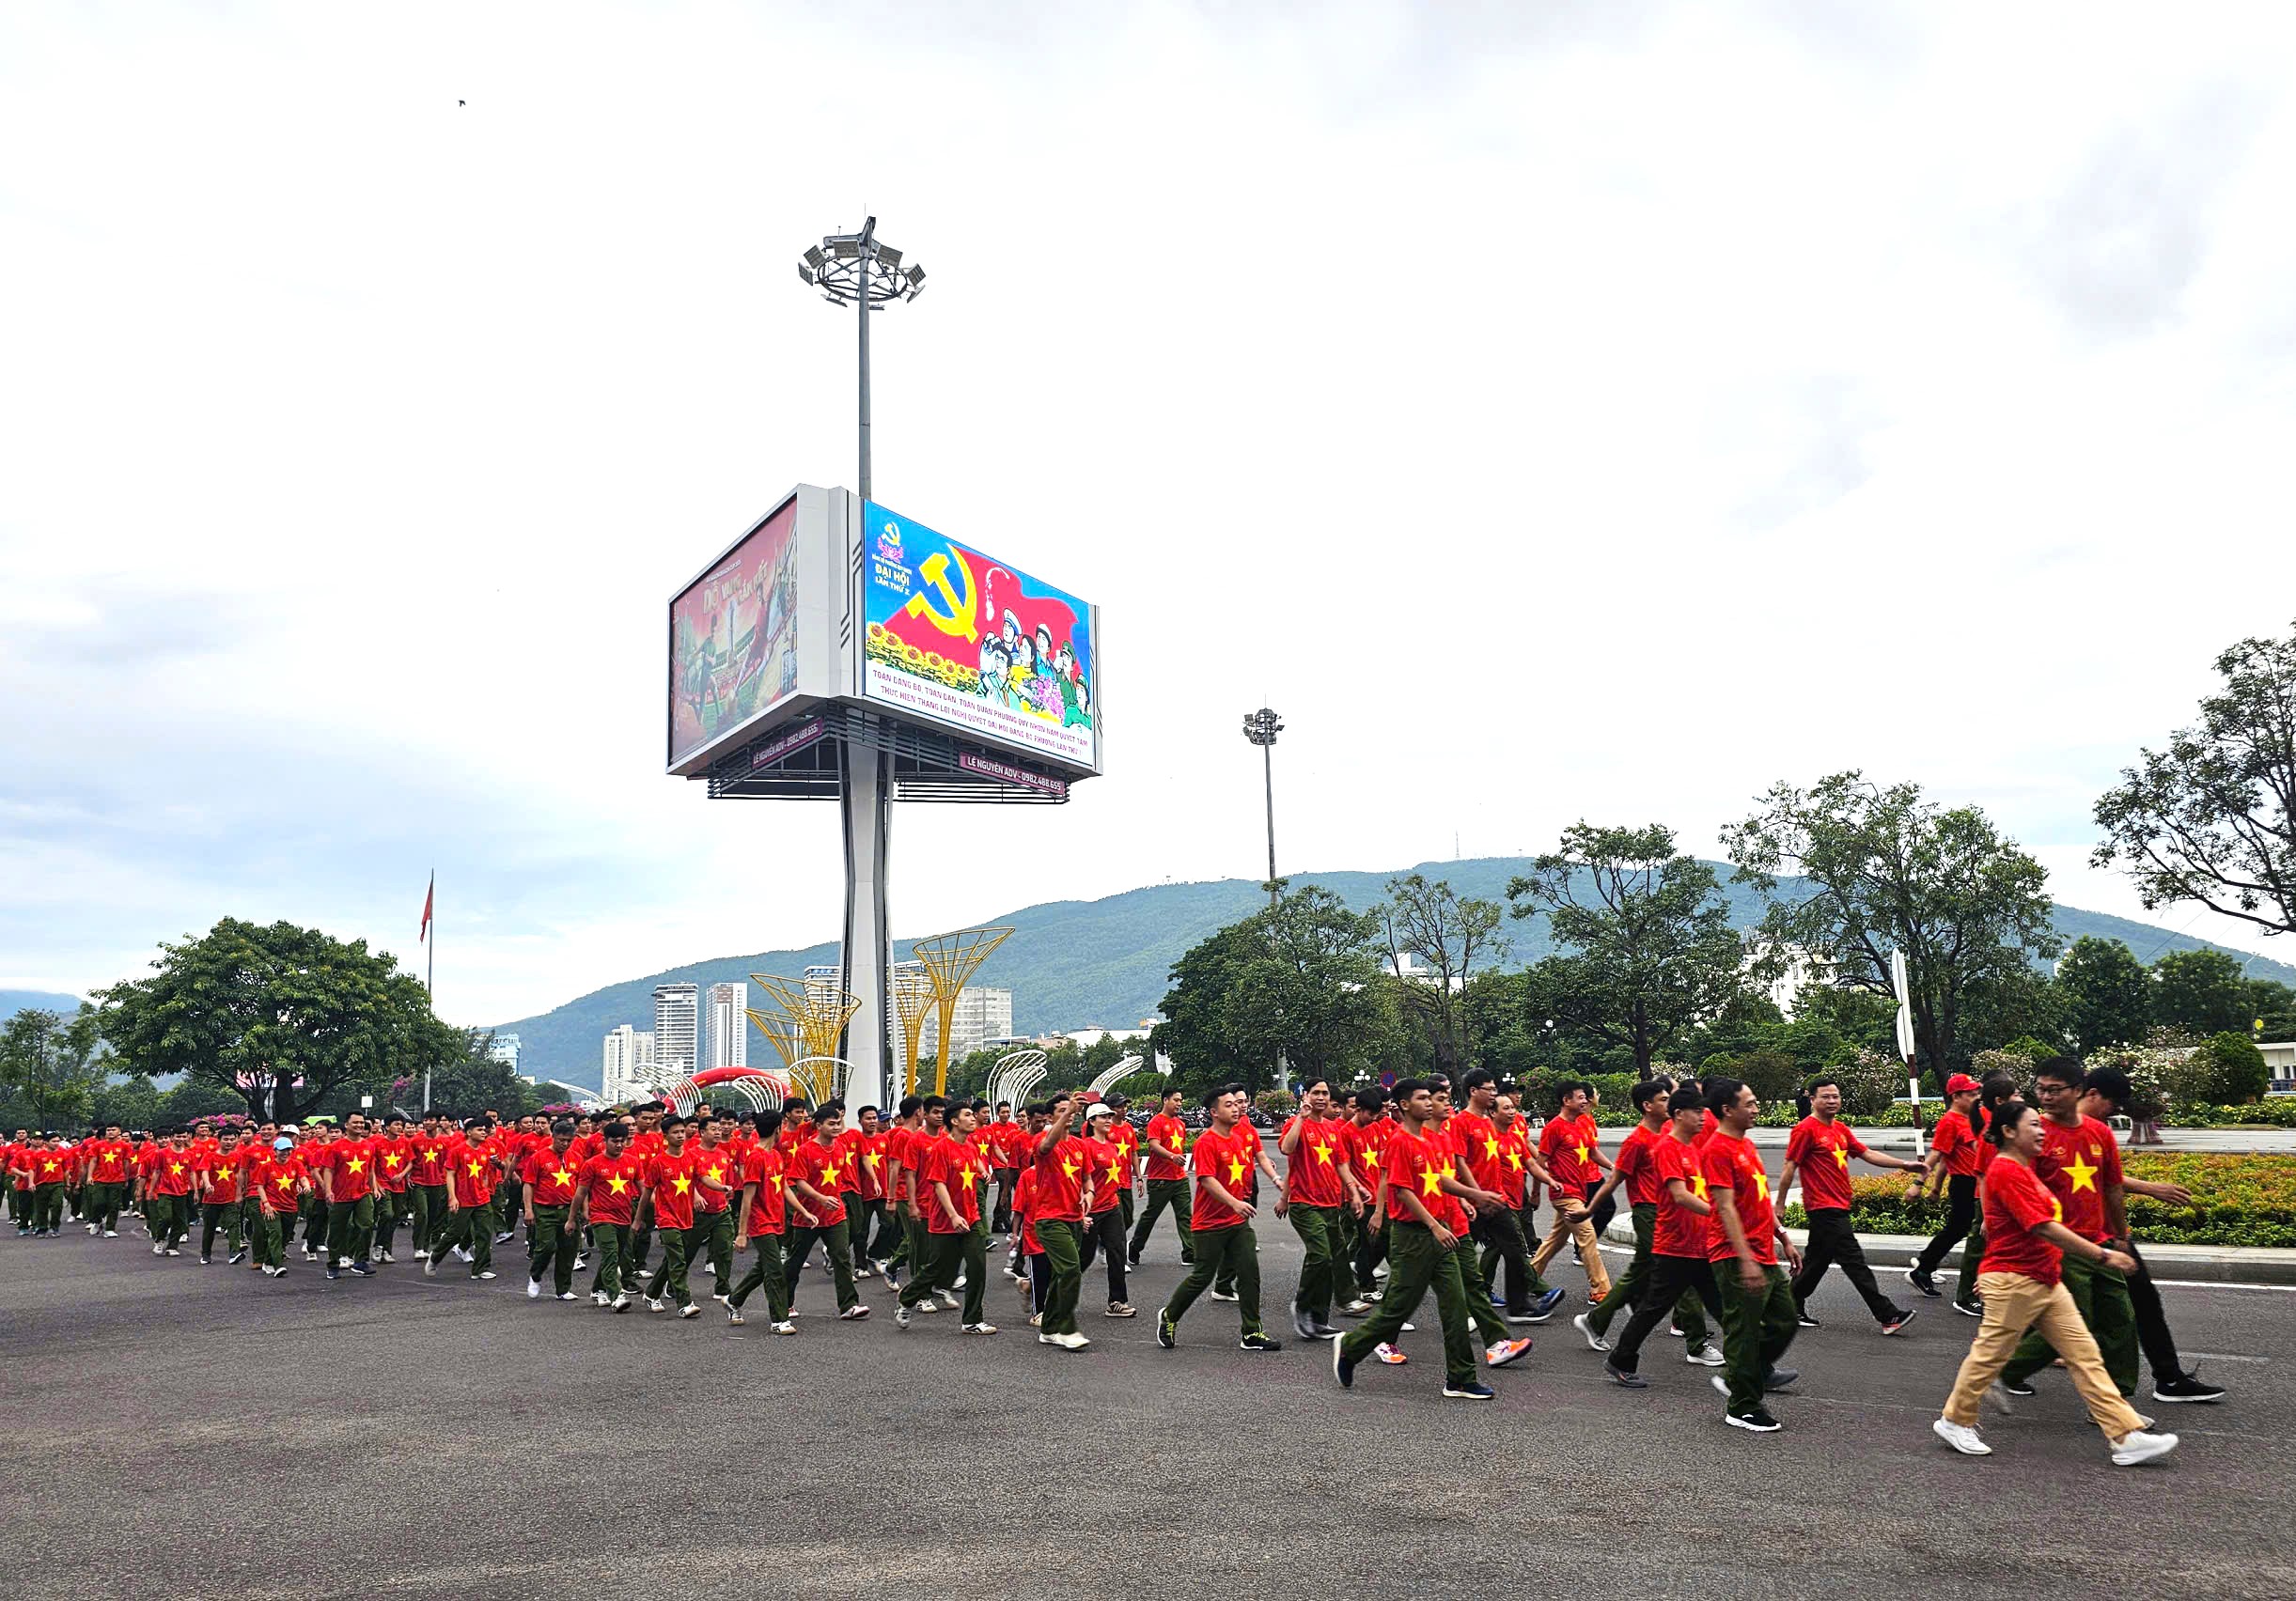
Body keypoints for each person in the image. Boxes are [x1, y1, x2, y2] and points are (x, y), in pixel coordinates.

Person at [1931, 1098, 2179, 1466]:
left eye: (2040, 1124)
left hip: (2044, 1278)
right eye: (2033, 1124)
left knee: (2085, 1356)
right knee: (1989, 1356)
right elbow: (2045, 1228)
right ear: (2009, 1132)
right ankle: (1954, 1420)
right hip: (2014, 1280)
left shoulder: (2026, 1169)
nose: (2042, 1129)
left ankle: (2125, 1437)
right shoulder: (2006, 1171)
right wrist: (2105, 1254)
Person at [1332, 1079, 1531, 1398]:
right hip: (1413, 1235)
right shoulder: (1399, 1141)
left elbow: (1440, 1179)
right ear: (1405, 1105)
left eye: (1431, 1098)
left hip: (1440, 1232)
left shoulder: (1432, 1138)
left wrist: (1475, 1195)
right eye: (1423, 1098)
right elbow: (1403, 1190)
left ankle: (1460, 1378)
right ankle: (1352, 1346)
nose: (1430, 1103)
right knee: (1397, 1309)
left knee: (1454, 1305)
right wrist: (1434, 1226)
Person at [2075, 1066, 2226, 1405]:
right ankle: (2009, 1368)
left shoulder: (2096, 1129)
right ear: (2093, 1093)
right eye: (2114, 1104)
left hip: (2103, 1233)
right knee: (2062, 1312)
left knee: (2142, 1300)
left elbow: (2105, 1180)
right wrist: (2151, 1189)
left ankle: (2168, 1378)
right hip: (2070, 1236)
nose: (2116, 1111)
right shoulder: (2061, 1127)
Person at [1995, 1057, 2142, 1402]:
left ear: (2078, 1091)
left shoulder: (2100, 1133)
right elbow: (2012, 1185)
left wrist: (2121, 1236)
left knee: (2122, 1319)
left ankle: (2120, 1395)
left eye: (2054, 1090)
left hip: (2099, 1241)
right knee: (2074, 1324)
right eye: (2040, 1089)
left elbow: (2112, 1187)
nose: (2045, 1097)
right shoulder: (2033, 1135)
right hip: (2060, 1244)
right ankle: (2003, 1372)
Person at [1597, 1082, 1727, 1384]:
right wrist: (1719, 1214)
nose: (1703, 1118)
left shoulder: (1693, 1148)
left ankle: (1757, 1365)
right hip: (1674, 1247)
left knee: (1723, 1307)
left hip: (1696, 1244)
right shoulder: (1666, 1148)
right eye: (1697, 1112)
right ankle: (1620, 1358)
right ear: (1679, 1115)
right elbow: (1680, 1195)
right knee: (1653, 1309)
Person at [1779, 1075, 1922, 1334]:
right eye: (1826, 1096)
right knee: (1854, 1261)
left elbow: (1866, 1153)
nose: (1832, 1100)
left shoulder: (1840, 1129)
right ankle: (1888, 1315)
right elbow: (1790, 1166)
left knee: (1816, 1262)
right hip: (1823, 1207)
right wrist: (1780, 1204)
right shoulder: (1805, 1129)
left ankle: (1788, 1306)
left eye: (1836, 1096)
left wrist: (1903, 1164)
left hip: (1839, 1203)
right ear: (1812, 1099)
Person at [1703, 1078, 1804, 1434]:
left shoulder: (1746, 1144)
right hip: (1734, 1254)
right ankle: (1742, 1406)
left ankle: (1739, 1375)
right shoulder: (1717, 1150)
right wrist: (1745, 1259)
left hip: (1761, 1250)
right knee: (1743, 1331)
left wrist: (1783, 1237)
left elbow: (1759, 1199)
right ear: (1727, 1110)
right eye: (1749, 1103)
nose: (1756, 1108)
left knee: (1784, 1320)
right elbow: (1725, 1208)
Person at [1156, 1085, 1284, 1354]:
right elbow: (1207, 1179)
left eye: (1236, 1104)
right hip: (1209, 1224)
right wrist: (1235, 1202)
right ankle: (1169, 1316)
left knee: (1250, 1273)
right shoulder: (1206, 1142)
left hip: (1237, 1224)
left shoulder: (1240, 1139)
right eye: (1228, 1105)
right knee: (1202, 1277)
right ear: (1214, 1112)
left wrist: (1274, 1179)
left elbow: (1255, 1162)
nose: (1236, 1108)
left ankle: (1251, 1332)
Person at [898, 1100, 996, 1334]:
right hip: (945, 1221)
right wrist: (953, 1216)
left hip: (971, 1218)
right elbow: (939, 1185)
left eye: (973, 1115)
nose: (973, 1119)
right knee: (936, 1268)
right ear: (955, 1121)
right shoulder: (942, 1148)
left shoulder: (970, 1147)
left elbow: (973, 1165)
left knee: (977, 1267)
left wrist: (983, 1170)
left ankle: (972, 1320)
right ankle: (907, 1298)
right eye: (968, 1115)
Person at [1280, 1079, 1362, 1339]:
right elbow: (1286, 1148)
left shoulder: (1332, 1129)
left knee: (1331, 1261)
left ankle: (1319, 1319)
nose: (1321, 1097)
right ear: (1305, 1096)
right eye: (1316, 1093)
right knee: (1320, 1255)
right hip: (1304, 1204)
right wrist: (1300, 1119)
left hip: (1331, 1205)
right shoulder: (1296, 1124)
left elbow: (1341, 1164)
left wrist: (1354, 1191)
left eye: (1325, 1093)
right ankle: (1302, 1305)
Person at [783, 1101, 868, 1321]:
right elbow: (798, 1181)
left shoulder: (840, 1148)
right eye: (831, 1124)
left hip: (835, 1215)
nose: (837, 1128)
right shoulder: (805, 1150)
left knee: (841, 1256)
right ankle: (784, 1302)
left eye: (838, 1123)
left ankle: (849, 1305)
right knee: (795, 1262)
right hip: (808, 1217)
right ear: (818, 1125)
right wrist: (820, 1198)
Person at [1529, 1082, 1612, 1300]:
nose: (1586, 1101)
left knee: (1555, 1240)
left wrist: (1615, 1168)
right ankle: (1600, 1289)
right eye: (1581, 1097)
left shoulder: (1580, 1124)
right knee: (1587, 1234)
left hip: (1579, 1191)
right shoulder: (1554, 1128)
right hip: (1564, 1194)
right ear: (1567, 1101)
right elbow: (1539, 1162)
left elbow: (1593, 1153)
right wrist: (1536, 1192)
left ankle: (1527, 1278)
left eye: (1586, 1097)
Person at [1909, 1074, 1986, 1299]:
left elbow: (1945, 1160)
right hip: (1964, 1183)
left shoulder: (1971, 1118)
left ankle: (1925, 1266)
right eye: (1971, 1094)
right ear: (1956, 1096)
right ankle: (1924, 1267)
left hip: (1975, 1182)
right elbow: (1937, 1154)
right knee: (1961, 1230)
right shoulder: (1950, 1121)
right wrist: (1918, 1183)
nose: (1976, 1098)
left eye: (1977, 1093)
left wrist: (1935, 1188)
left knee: (1961, 1229)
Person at [1028, 1096, 1093, 1349]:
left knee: (1060, 1275)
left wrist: (1089, 1194)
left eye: (1072, 1110)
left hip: (1075, 1219)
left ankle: (1048, 1329)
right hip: (1050, 1219)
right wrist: (1069, 1114)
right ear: (1050, 1117)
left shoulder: (1080, 1145)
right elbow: (1045, 1146)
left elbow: (1087, 1179)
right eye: (1063, 1111)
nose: (1071, 1114)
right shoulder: (1042, 1141)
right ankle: (1066, 1328)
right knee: (1070, 1270)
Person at [727, 1108, 798, 1333]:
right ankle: (779, 1319)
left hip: (777, 1221)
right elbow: (747, 1198)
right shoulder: (756, 1157)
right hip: (761, 1223)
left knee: (763, 1268)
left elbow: (784, 1187)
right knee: (775, 1271)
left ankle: (734, 1300)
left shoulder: (776, 1156)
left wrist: (803, 1211)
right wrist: (741, 1233)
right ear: (778, 1129)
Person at [422, 1119, 505, 1282]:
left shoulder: (484, 1151)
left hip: (481, 1198)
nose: (483, 1132)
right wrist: (452, 1197)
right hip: (463, 1199)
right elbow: (450, 1174)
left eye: (484, 1130)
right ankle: (435, 1258)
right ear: (469, 1132)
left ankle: (480, 1269)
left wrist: (486, 1189)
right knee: (455, 1233)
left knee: (484, 1232)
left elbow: (486, 1173)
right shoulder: (458, 1150)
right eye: (479, 1129)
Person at [572, 1121, 645, 1310]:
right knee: (611, 1254)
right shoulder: (592, 1164)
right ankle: (616, 1295)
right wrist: (573, 1219)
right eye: (614, 1141)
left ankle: (597, 1290)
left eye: (622, 1141)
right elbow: (580, 1192)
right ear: (605, 1141)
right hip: (601, 1216)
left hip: (625, 1217)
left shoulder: (633, 1162)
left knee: (612, 1257)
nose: (619, 1144)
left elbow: (644, 1190)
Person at [1076, 1102, 1135, 1317]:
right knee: (1083, 1258)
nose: (1109, 1119)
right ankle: (1053, 1295)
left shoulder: (1111, 1145)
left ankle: (1117, 1301)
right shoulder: (1085, 1147)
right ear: (1091, 1122)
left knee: (1118, 1253)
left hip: (1112, 1207)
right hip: (1091, 1210)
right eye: (1103, 1117)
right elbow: (1079, 1180)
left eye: (1110, 1116)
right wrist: (1081, 1213)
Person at [640, 1116, 703, 1317]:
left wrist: (721, 1188)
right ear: (665, 1136)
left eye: (682, 1132)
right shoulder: (657, 1162)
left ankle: (651, 1294)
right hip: (666, 1218)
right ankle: (684, 1303)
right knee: (678, 1261)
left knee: (673, 1259)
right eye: (675, 1132)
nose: (680, 1136)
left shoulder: (691, 1157)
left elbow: (704, 1178)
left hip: (686, 1217)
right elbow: (647, 1193)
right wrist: (638, 1219)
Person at [1127, 1087, 1193, 1267]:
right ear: (1165, 1100)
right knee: (1151, 1216)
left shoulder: (1180, 1124)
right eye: (1176, 1100)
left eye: (1181, 1100)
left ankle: (1189, 1253)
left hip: (1180, 1178)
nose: (1179, 1103)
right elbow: (1154, 1145)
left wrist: (1177, 1159)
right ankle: (1134, 1247)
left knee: (1185, 1216)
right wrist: (1172, 1156)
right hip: (1160, 1180)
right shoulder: (1156, 1122)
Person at [522, 1119, 583, 1301]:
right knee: (546, 1247)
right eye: (561, 1140)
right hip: (545, 1209)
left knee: (569, 1250)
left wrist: (585, 1210)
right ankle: (535, 1275)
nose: (564, 1144)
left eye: (568, 1140)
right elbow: (528, 1184)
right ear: (553, 1137)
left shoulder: (576, 1158)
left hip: (569, 1211)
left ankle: (563, 1289)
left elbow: (582, 1187)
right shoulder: (539, 1157)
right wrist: (528, 1210)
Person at [249, 1136, 308, 1277]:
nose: (285, 1153)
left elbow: (303, 1177)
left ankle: (268, 1262)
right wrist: (266, 1204)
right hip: (272, 1206)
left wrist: (305, 1185)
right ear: (275, 1151)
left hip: (290, 1206)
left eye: (288, 1150)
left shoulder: (296, 1164)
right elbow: (260, 1186)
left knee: (284, 1237)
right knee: (275, 1234)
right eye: (282, 1150)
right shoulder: (267, 1167)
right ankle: (278, 1265)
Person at [408, 1116, 452, 1263]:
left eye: (431, 1120)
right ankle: (418, 1248)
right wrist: (407, 1175)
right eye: (425, 1120)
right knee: (422, 1213)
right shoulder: (415, 1140)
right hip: (419, 1182)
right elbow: (409, 1161)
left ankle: (425, 1247)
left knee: (432, 1216)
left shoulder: (445, 1142)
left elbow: (450, 1164)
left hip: (438, 1183)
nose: (427, 1122)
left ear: (437, 1122)